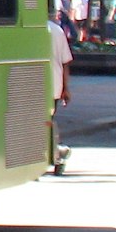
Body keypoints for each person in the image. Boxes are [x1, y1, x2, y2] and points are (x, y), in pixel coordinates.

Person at [46, 10, 72, 175]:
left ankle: (47, 153)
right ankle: (54, 153)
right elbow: (65, 63)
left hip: (33, 84)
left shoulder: (29, 28)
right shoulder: (57, 30)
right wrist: (65, 88)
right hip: (53, 85)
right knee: (48, 121)